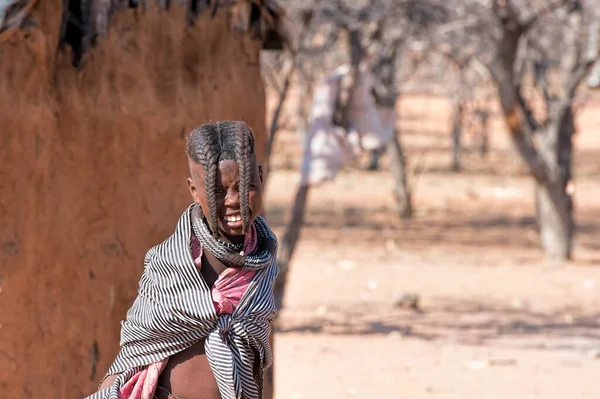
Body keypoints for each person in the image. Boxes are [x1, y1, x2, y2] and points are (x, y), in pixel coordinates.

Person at [86, 121, 279, 399]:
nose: (233, 201)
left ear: (261, 177)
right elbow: (138, 347)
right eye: (218, 191)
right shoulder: (170, 265)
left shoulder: (263, 260)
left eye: (246, 185)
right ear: (193, 190)